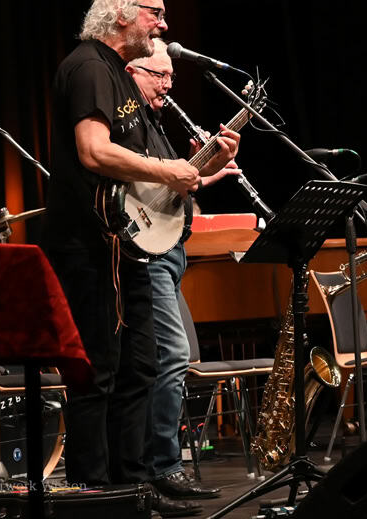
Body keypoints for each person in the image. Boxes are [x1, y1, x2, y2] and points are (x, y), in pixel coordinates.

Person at [40, 0, 238, 517]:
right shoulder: (88, 66)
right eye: (156, 13)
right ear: (122, 14)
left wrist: (199, 167)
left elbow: (146, 179)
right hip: (88, 246)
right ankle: (95, 494)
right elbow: (93, 151)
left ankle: (134, 489)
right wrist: (167, 170)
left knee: (141, 367)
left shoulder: (120, 75)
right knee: (99, 372)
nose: (164, 25)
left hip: (125, 246)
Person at [126, 38, 235, 502]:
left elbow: (167, 193)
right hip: (147, 254)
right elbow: (133, 190)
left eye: (172, 76)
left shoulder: (154, 123)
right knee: (171, 355)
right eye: (159, 75)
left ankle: (160, 466)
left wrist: (205, 169)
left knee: (170, 358)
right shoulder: (126, 122)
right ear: (131, 71)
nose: (168, 85)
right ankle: (163, 467)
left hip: (172, 250)